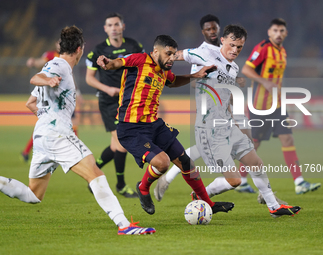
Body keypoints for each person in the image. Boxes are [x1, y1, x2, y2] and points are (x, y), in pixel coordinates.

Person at [0, 25, 155, 235]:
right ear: (80, 49)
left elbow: (30, 102)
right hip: (58, 134)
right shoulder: (59, 65)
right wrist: (48, 79)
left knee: (34, 195)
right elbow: (35, 78)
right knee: (96, 174)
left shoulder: (60, 67)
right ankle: (124, 225)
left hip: (42, 135)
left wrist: (46, 116)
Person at [155, 24, 299, 217]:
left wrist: (238, 120)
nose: (234, 50)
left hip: (227, 124)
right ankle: (199, 195)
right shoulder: (205, 54)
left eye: (239, 47)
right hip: (210, 128)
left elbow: (227, 97)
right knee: (235, 181)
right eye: (231, 45)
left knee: (256, 162)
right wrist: (154, 64)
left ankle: (274, 206)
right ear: (222, 41)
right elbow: (174, 55)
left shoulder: (234, 68)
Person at [97, 34, 234, 216]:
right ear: (155, 52)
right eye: (168, 54)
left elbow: (174, 81)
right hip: (131, 128)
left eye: (173, 55)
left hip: (154, 125)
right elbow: (118, 63)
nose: (171, 59)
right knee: (163, 163)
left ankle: (208, 203)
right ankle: (143, 187)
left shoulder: (163, 71)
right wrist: (107, 63)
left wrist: (196, 75)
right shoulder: (139, 59)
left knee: (186, 162)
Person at [153, 14, 258, 202]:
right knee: (213, 146)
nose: (212, 31)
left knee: (212, 146)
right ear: (203, 32)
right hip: (208, 109)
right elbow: (195, 82)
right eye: (208, 29)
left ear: (220, 30)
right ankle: (250, 186)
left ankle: (254, 186)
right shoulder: (202, 52)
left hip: (223, 109)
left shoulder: (226, 51)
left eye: (215, 28)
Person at [241, 18, 321, 195]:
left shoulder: (282, 51)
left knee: (287, 139)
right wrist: (265, 83)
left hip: (276, 105)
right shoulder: (262, 48)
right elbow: (246, 69)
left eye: (281, 31)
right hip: (259, 106)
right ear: (269, 32)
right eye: (275, 30)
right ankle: (240, 180)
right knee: (254, 144)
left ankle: (299, 182)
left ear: (286, 33)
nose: (278, 34)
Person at [86, 13, 144, 198]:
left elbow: (143, 67)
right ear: (105, 29)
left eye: (116, 24)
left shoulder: (134, 46)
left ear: (122, 26)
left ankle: (92, 173)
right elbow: (89, 78)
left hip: (127, 100)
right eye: (110, 25)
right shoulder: (98, 50)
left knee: (115, 146)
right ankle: (120, 185)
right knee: (122, 142)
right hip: (109, 101)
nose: (114, 28)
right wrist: (108, 89)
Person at [22, 40, 81, 163]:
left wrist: (77, 92)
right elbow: (40, 64)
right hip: (52, 98)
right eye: (59, 42)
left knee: (70, 123)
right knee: (47, 125)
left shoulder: (68, 58)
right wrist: (33, 62)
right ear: (55, 44)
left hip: (66, 96)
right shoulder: (50, 55)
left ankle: (76, 151)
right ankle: (27, 151)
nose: (61, 45)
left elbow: (71, 77)